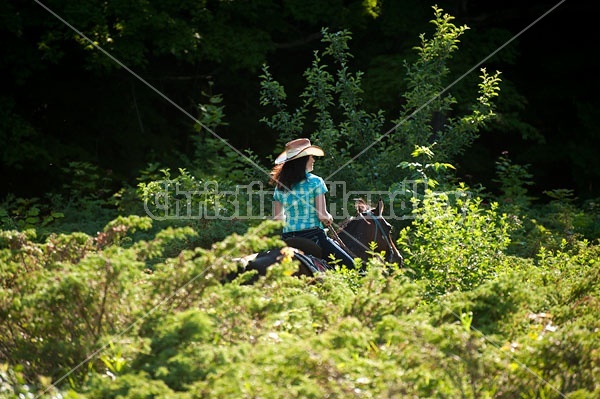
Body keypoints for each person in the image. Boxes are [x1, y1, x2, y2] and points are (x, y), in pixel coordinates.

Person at [270, 138, 355, 269]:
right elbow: (322, 215)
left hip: (288, 239)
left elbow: (277, 219)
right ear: (303, 160)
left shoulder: (280, 186)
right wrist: (328, 218)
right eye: (310, 157)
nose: (313, 160)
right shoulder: (316, 182)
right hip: (313, 237)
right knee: (351, 265)